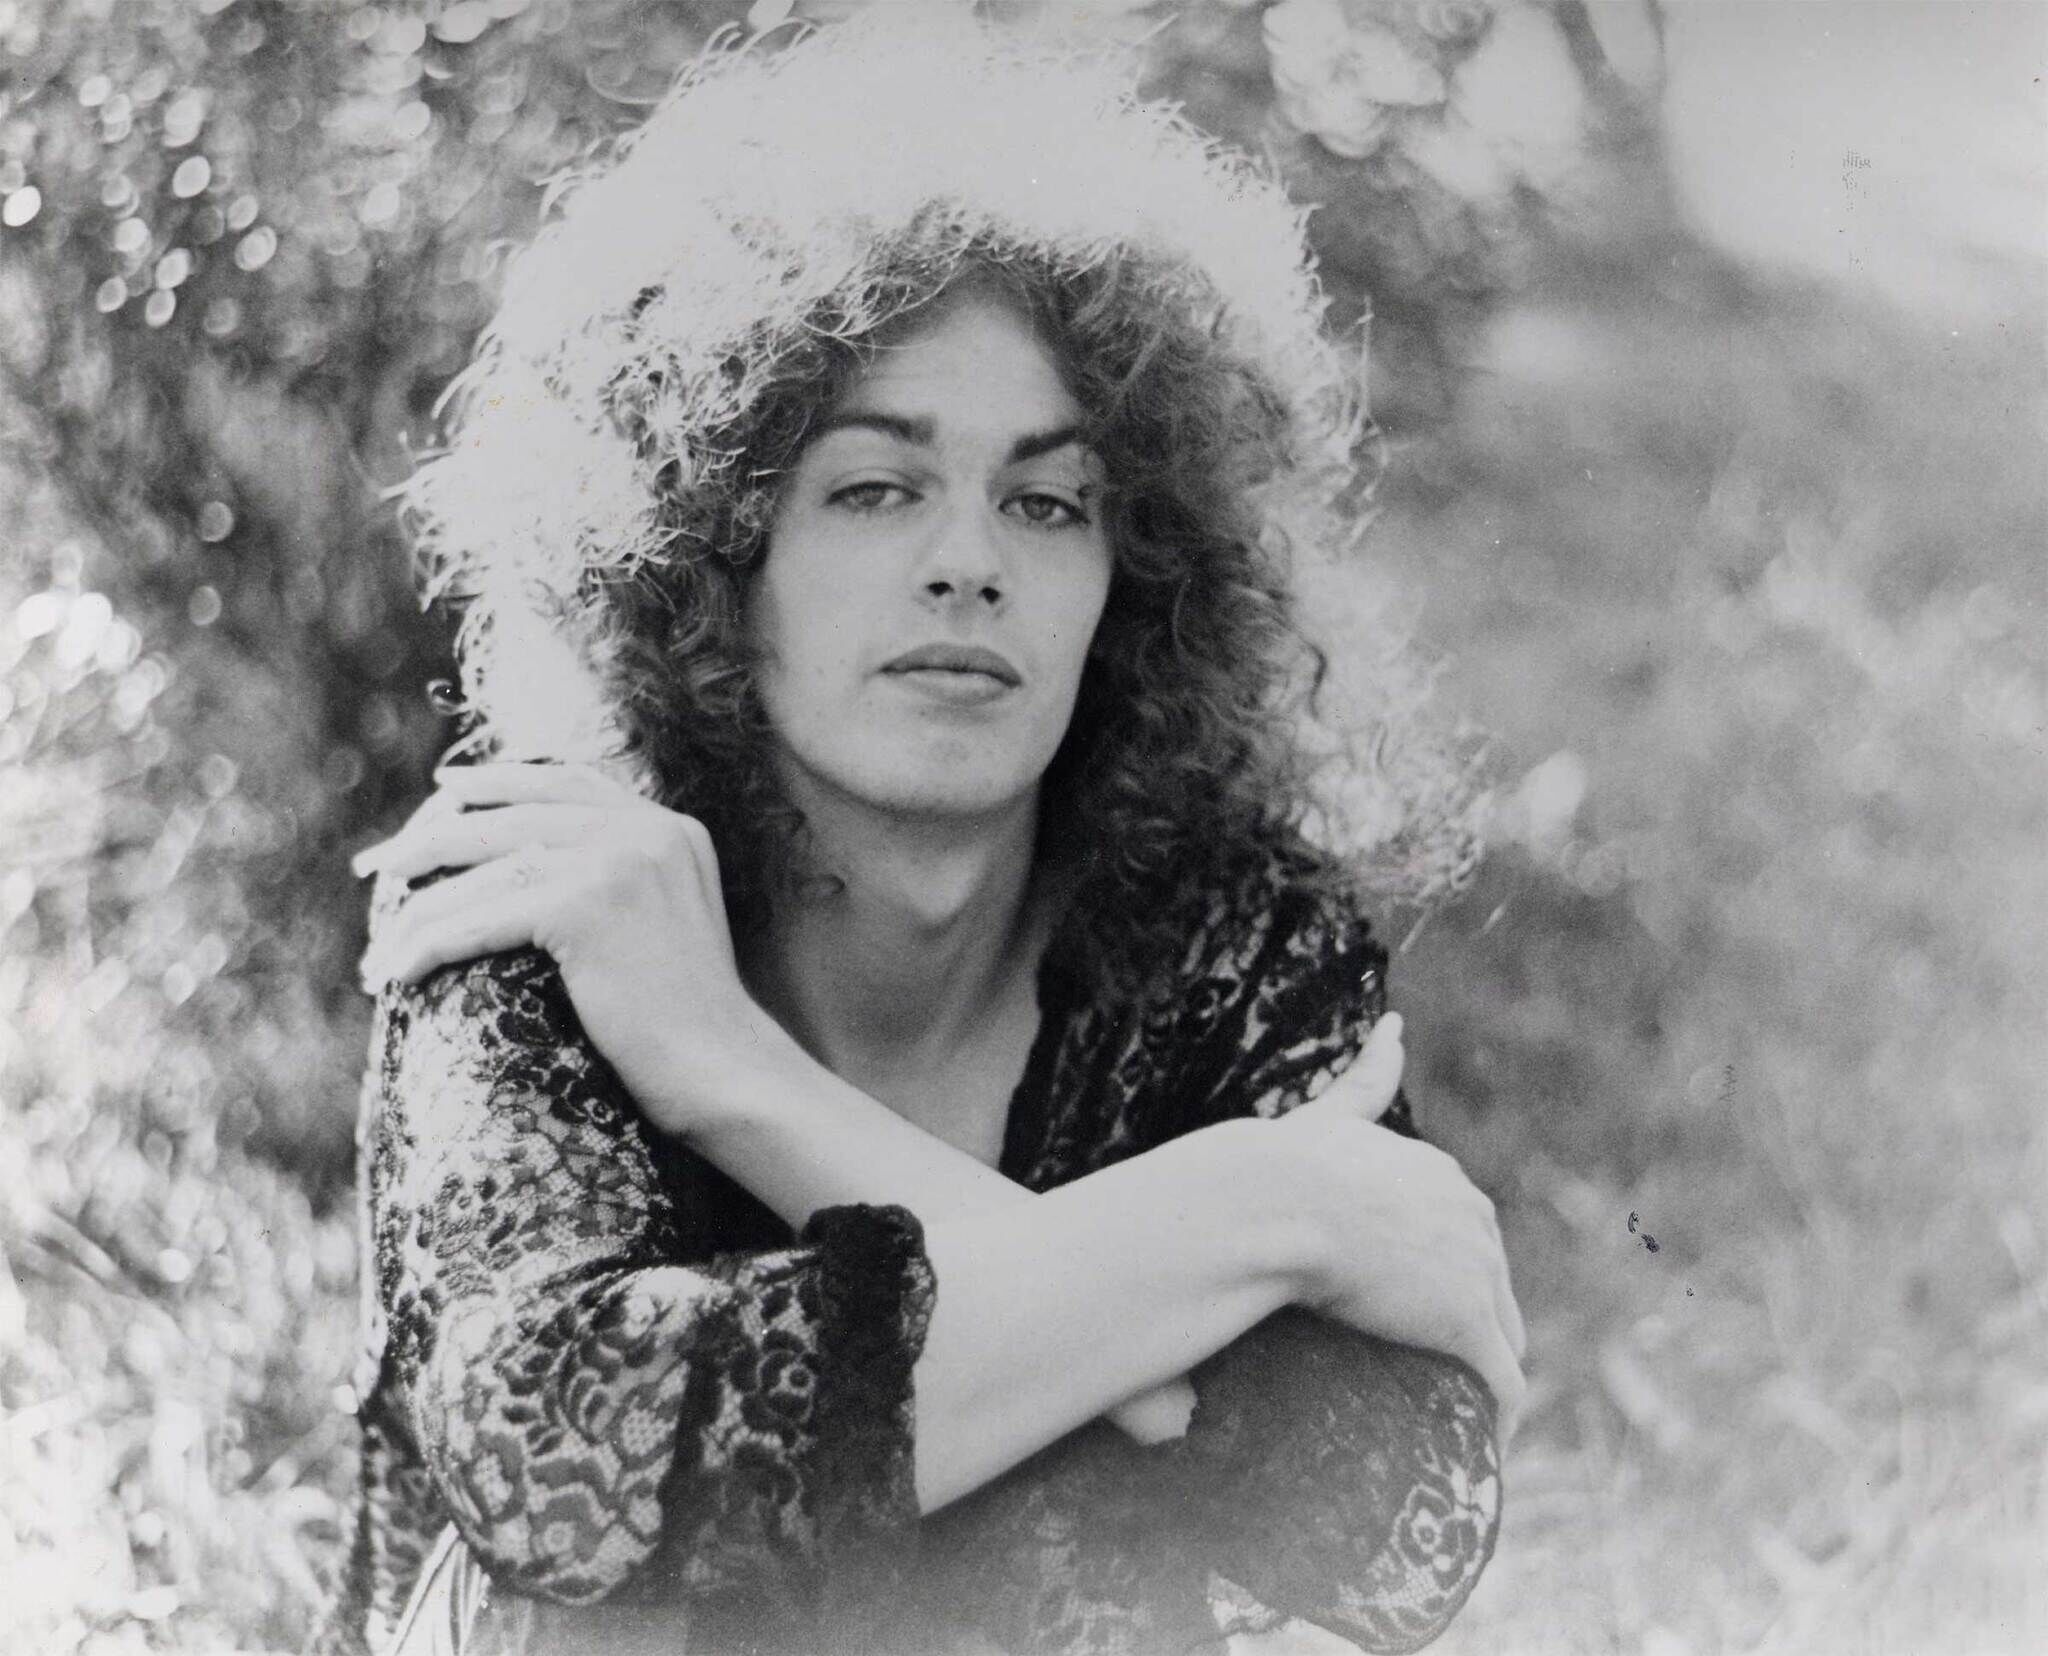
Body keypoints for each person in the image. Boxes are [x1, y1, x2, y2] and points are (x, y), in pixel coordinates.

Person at [313, 13, 1524, 1656]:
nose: (970, 564)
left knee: (1034, 1480)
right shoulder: (548, 907)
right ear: (711, 554)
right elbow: (562, 1466)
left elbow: (1390, 1530)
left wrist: (750, 1090)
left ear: (1137, 578)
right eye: (875, 489)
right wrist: (1263, 1219)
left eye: (1048, 501)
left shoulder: (1229, 943)